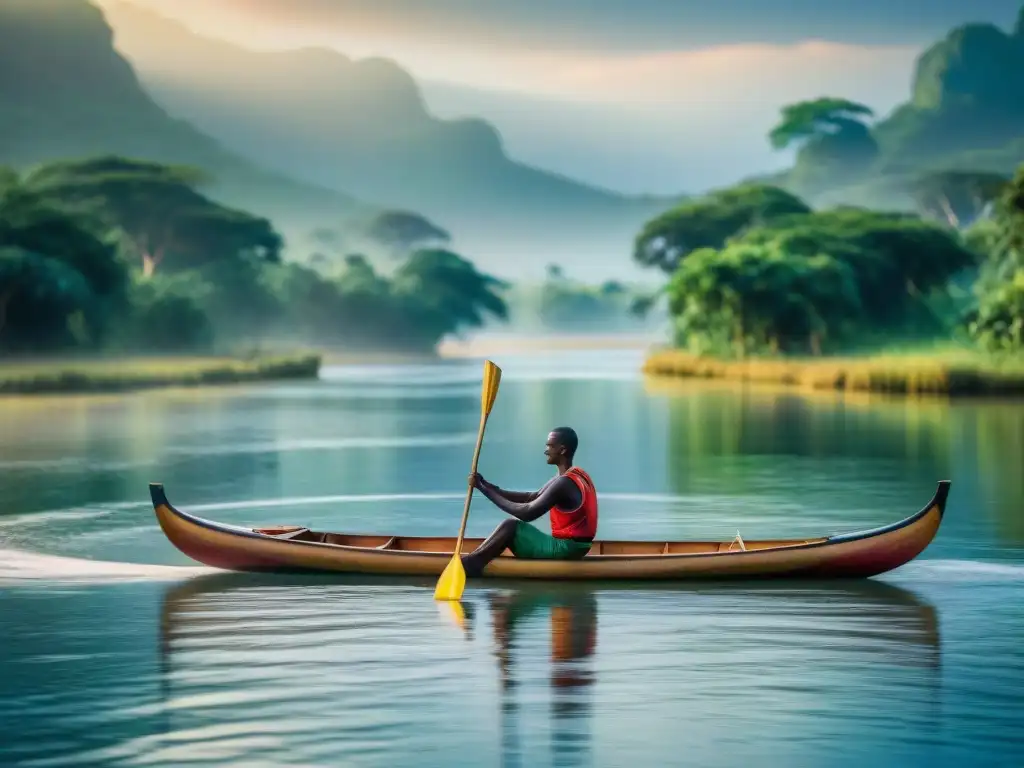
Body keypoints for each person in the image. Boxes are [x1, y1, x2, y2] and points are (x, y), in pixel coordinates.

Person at [460, 426, 598, 577]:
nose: (546, 450)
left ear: (562, 450)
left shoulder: (564, 483)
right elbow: (532, 497)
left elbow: (527, 513)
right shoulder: (573, 475)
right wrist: (487, 486)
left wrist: (486, 491)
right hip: (577, 546)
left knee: (510, 526)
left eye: (550, 446)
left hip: (567, 548)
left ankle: (470, 565)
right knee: (509, 527)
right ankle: (476, 559)